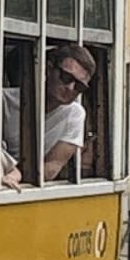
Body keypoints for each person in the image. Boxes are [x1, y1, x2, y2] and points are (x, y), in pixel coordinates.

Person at [39, 46, 95, 182]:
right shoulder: (4, 100)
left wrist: (15, 175)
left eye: (79, 86)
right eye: (66, 77)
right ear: (49, 69)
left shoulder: (74, 114)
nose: (70, 88)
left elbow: (51, 168)